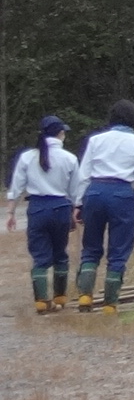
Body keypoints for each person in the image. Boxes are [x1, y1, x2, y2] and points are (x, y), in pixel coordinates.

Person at [71, 100, 134, 315]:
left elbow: (83, 175)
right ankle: (109, 303)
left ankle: (85, 296)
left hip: (95, 192)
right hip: (122, 195)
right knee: (119, 248)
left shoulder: (95, 140)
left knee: (91, 246)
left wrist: (78, 203)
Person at [6, 116, 80, 314]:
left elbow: (17, 186)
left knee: (39, 255)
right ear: (60, 133)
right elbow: (75, 191)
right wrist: (75, 211)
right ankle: (60, 297)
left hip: (37, 208)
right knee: (60, 253)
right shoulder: (69, 158)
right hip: (61, 207)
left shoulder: (27, 157)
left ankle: (41, 301)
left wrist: (11, 212)